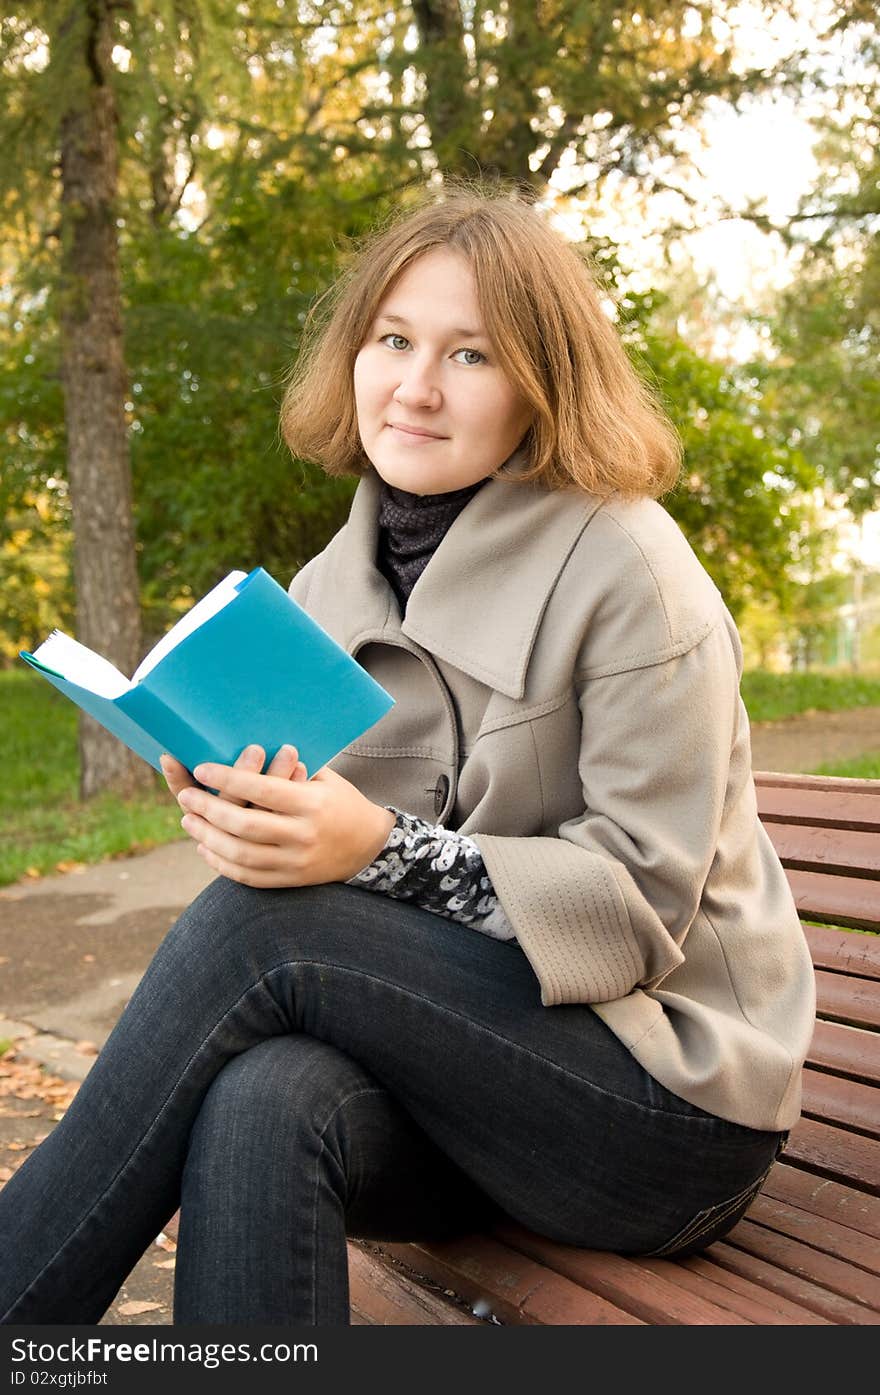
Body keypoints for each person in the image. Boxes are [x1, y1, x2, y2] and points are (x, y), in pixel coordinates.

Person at [0, 182, 816, 1326]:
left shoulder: (630, 567)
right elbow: (342, 919)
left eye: (470, 355)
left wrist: (371, 850)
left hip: (664, 1105)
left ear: (542, 382)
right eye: (393, 339)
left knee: (261, 932)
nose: (415, 386)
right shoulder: (325, 591)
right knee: (263, 1096)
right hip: (464, 1095)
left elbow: (638, 912)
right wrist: (246, 819)